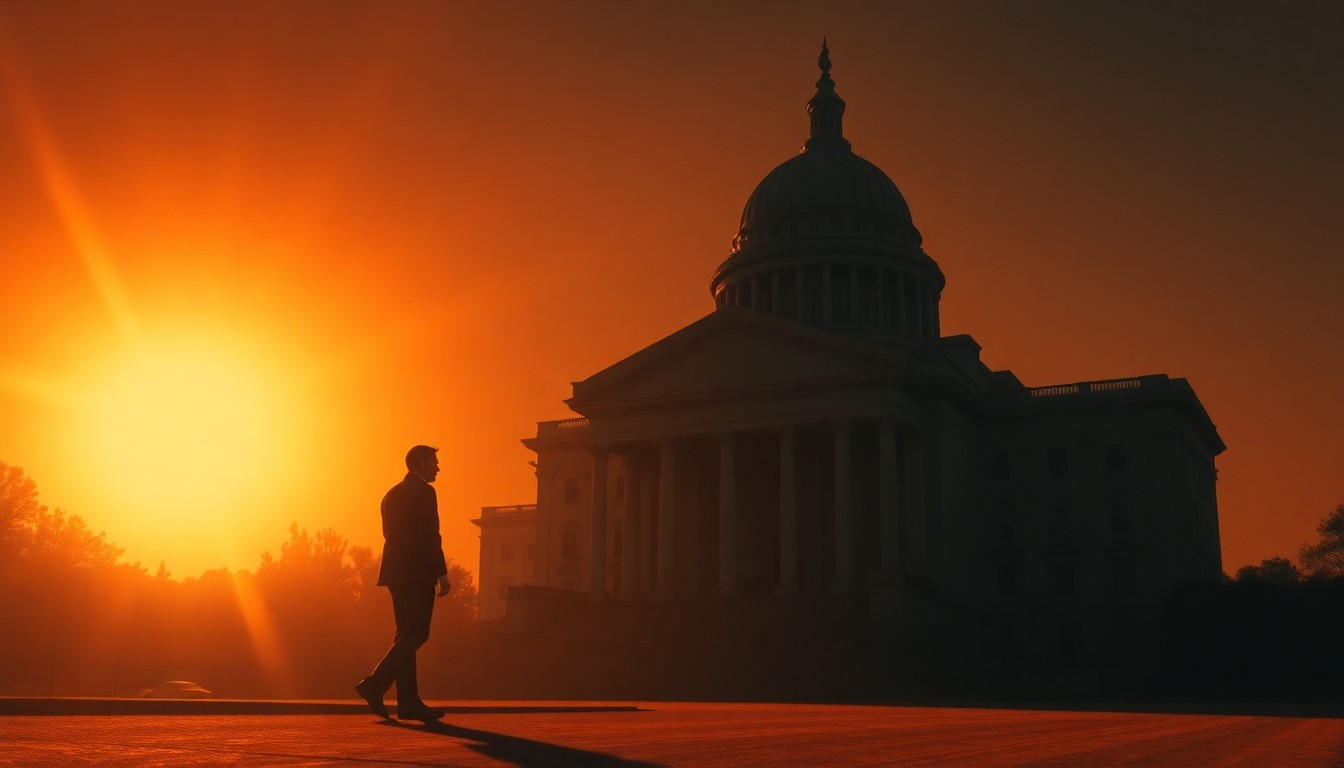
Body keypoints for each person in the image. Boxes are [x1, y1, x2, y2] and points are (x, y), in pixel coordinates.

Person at [355, 445, 451, 721]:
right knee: (417, 633)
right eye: (434, 462)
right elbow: (430, 535)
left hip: (395, 572)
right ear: (421, 463)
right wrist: (441, 572)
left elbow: (388, 534)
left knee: (405, 635)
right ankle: (375, 684)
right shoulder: (425, 492)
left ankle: (408, 701)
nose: (438, 468)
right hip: (417, 572)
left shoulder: (391, 494)